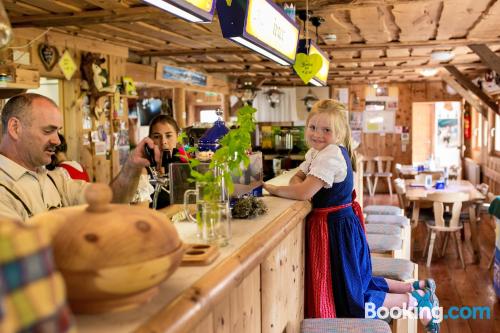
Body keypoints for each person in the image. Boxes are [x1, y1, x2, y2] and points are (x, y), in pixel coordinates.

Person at [264, 100, 439, 332]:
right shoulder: (318, 152)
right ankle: (414, 288)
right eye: (313, 127)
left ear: (339, 133)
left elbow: (304, 190)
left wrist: (272, 188)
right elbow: (299, 178)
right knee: (357, 282)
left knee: (352, 298)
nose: (317, 134)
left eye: (326, 130)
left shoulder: (331, 155)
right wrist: (300, 184)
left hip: (337, 229)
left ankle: (415, 301)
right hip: (339, 226)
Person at [0, 93, 160, 223]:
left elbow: (111, 201)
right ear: (15, 128)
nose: (57, 140)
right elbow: (17, 255)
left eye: (58, 131)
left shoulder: (56, 179)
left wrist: (132, 165)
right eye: (48, 131)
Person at [146, 114, 186, 209]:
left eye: (168, 136)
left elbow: (196, 205)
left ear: (177, 137)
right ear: (150, 139)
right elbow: (142, 215)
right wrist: (178, 208)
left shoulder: (184, 167)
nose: (163, 141)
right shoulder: (143, 170)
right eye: (157, 136)